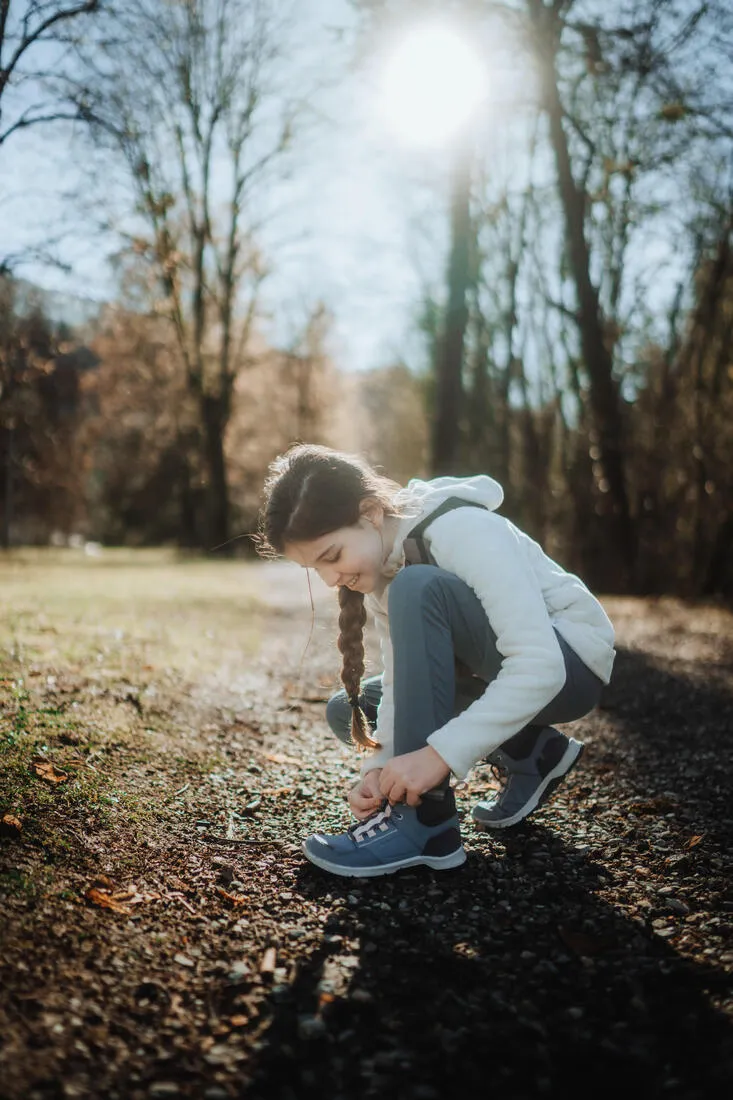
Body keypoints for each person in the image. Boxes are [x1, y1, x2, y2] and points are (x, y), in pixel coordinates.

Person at [257, 443, 615, 879]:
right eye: (315, 569)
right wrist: (378, 772)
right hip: (499, 672)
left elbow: (541, 667)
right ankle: (533, 753)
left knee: (417, 586)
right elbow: (398, 689)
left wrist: (438, 757)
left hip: (570, 668)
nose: (331, 579)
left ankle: (425, 824)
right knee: (350, 711)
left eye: (332, 556)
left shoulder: (461, 530)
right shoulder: (386, 570)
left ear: (371, 514)